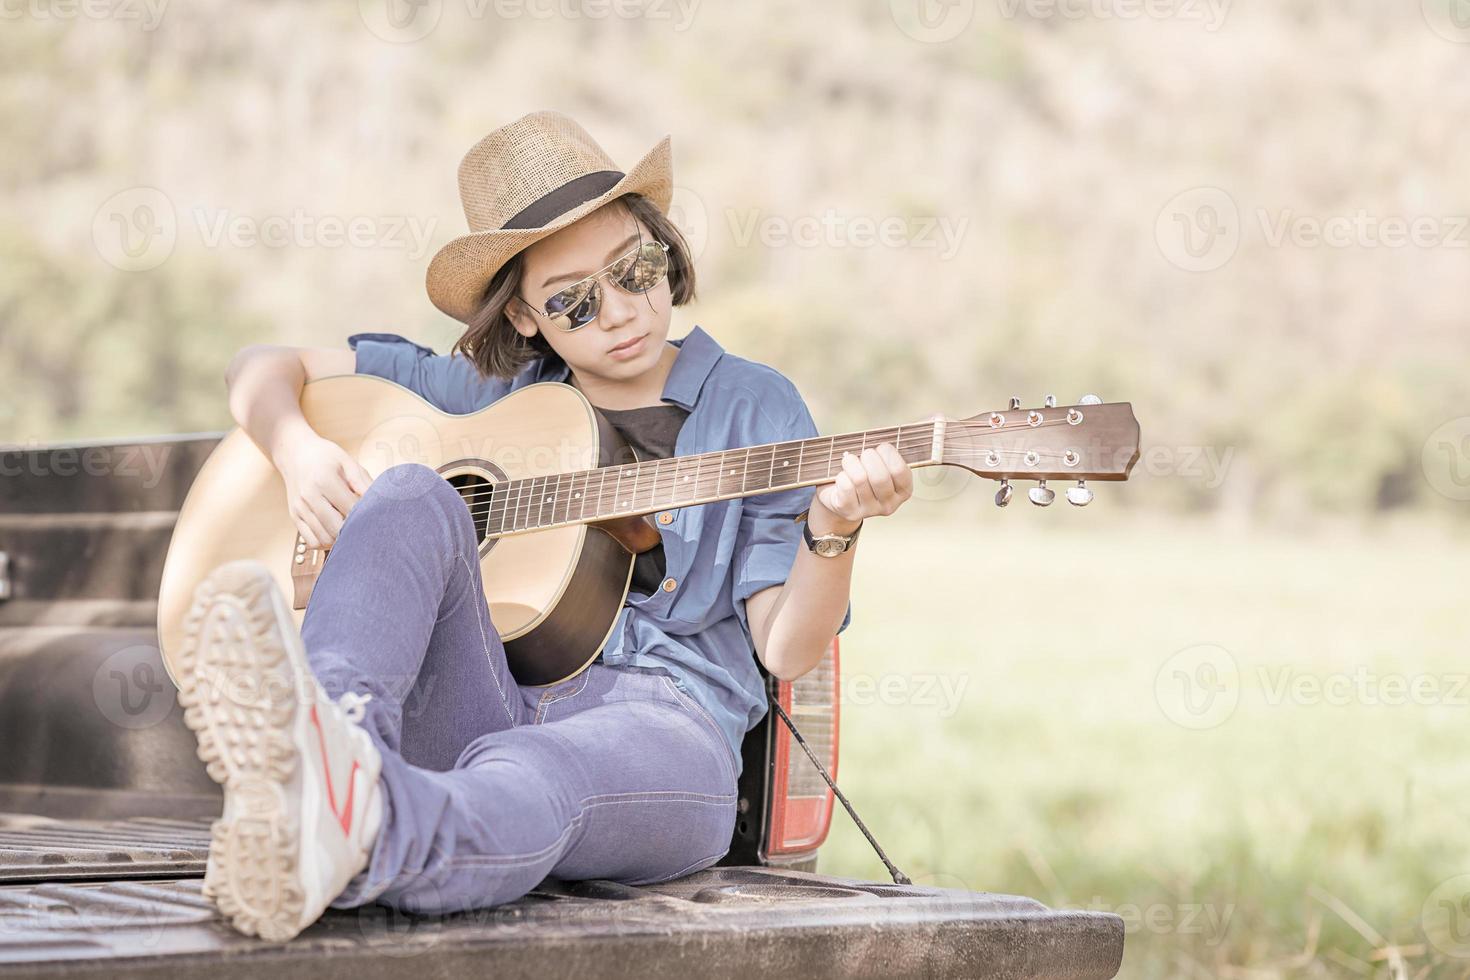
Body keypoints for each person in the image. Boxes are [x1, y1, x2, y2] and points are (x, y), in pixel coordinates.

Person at [178, 110, 920, 942]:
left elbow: (784, 648)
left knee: (531, 770)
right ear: (525, 319)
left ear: (664, 251)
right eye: (573, 301)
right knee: (412, 492)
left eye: (635, 269)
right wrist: (300, 453)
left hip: (667, 728)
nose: (620, 313)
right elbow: (261, 368)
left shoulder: (754, 405)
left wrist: (834, 526)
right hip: (489, 695)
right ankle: (327, 740)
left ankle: (355, 830)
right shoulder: (496, 397)